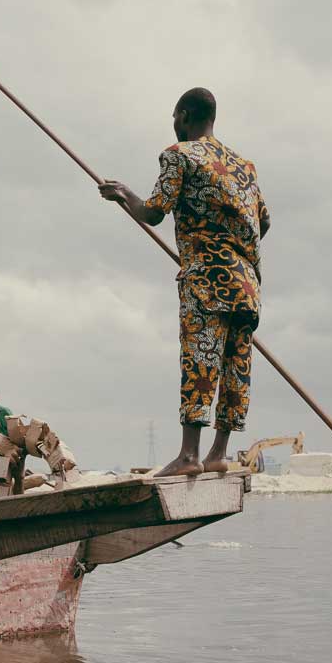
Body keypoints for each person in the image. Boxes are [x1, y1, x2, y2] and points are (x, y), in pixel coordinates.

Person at [98, 87, 270, 476]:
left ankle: (190, 456)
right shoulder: (244, 166)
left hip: (207, 279)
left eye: (175, 118)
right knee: (235, 368)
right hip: (247, 285)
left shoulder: (179, 156)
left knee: (200, 360)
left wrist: (123, 194)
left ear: (184, 114)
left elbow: (155, 212)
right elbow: (264, 222)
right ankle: (219, 454)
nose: (173, 125)